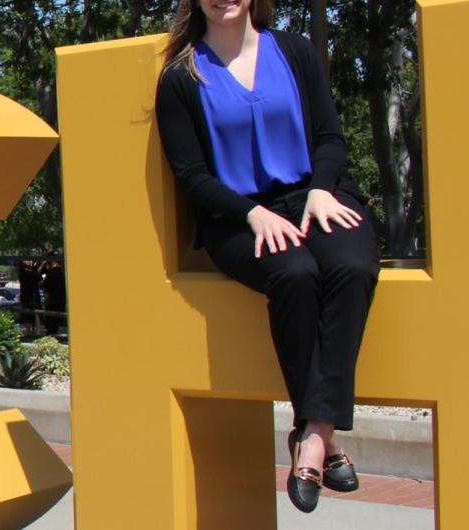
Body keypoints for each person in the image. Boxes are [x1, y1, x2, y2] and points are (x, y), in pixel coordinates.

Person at [155, 0, 378, 513]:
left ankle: (313, 432)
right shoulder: (181, 78)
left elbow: (329, 138)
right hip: (238, 217)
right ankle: (328, 439)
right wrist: (251, 214)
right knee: (295, 273)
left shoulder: (295, 51)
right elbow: (191, 175)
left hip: (317, 196)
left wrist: (323, 188)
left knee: (352, 266)